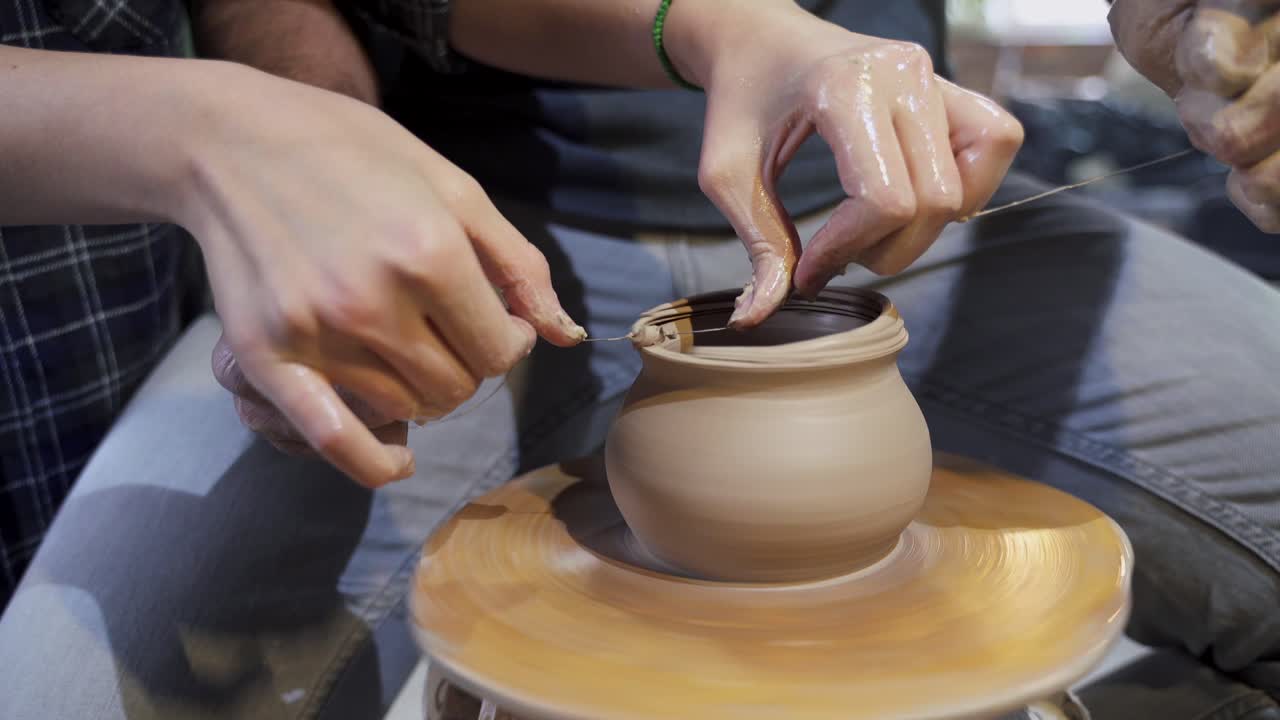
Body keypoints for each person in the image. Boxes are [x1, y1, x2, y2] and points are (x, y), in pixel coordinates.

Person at [0, 0, 1277, 718]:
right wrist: (306, 142)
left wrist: (1193, 23)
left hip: (904, 209)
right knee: (62, 697)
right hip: (464, 220)